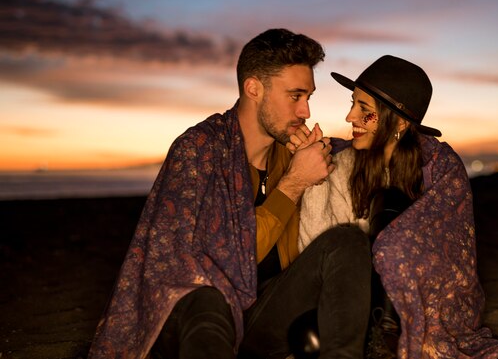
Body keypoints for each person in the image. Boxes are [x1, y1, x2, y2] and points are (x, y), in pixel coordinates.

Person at [87, 28, 372, 359]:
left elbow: (379, 149)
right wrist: (294, 183)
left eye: (308, 97)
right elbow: (217, 261)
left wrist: (399, 125)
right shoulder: (200, 150)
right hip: (197, 320)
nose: (305, 112)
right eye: (295, 96)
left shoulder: (301, 150)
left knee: (347, 241)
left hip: (261, 318)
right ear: (254, 88)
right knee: (207, 297)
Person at [294, 56, 498, 359]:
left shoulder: (438, 170)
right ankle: (375, 330)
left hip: (420, 297)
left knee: (391, 212)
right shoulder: (341, 164)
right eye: (353, 103)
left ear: (400, 123)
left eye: (364, 110)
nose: (349, 116)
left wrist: (390, 247)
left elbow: (449, 257)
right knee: (308, 337)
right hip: (357, 293)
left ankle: (388, 331)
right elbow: (317, 250)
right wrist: (314, 177)